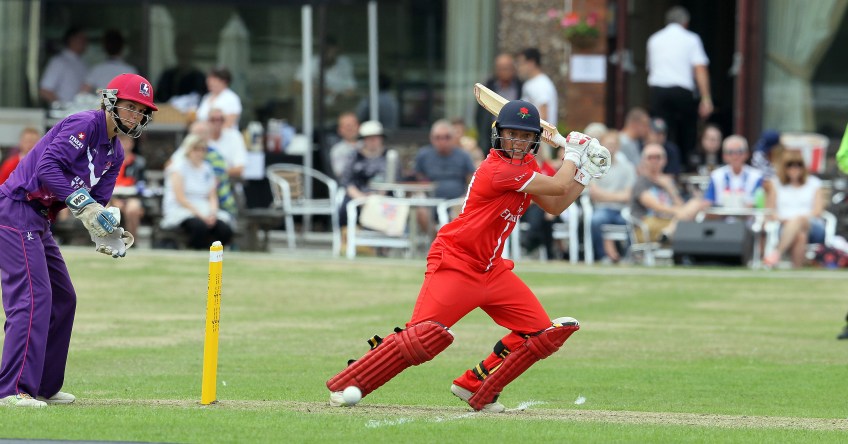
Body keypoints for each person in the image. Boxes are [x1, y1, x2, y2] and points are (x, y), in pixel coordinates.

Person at [325, 100, 611, 412]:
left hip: (492, 269)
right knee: (422, 338)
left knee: (540, 334)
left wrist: (584, 173)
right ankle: (349, 382)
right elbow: (557, 184)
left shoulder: (527, 168)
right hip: (456, 263)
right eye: (512, 134)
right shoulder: (499, 169)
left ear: (534, 140)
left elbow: (555, 204)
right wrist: (574, 153)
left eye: (525, 136)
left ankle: (475, 385)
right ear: (499, 135)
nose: (517, 142)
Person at [0, 73, 157, 408]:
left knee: (64, 298)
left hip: (40, 219)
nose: (135, 116)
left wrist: (106, 230)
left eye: (142, 111)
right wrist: (84, 205)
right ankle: (12, 390)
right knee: (33, 298)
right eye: (131, 106)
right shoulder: (84, 124)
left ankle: (44, 385)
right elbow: (47, 168)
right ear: (111, 101)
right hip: (15, 209)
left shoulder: (115, 153)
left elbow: (97, 202)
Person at [646, 6, 713, 172]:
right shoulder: (691, 39)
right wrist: (706, 98)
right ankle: (684, 167)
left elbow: (650, 68)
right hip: (682, 91)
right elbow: (700, 69)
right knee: (686, 132)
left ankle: (662, 168)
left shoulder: (654, 39)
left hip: (658, 91)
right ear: (686, 23)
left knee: (660, 131)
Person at [160, 134, 234, 250]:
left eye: (202, 149)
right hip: (182, 209)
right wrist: (201, 215)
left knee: (224, 229)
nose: (199, 153)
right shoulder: (178, 168)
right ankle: (195, 251)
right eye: (196, 149)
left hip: (204, 208)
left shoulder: (207, 168)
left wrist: (212, 213)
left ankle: (214, 254)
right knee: (199, 227)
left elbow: (212, 195)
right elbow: (180, 198)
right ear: (188, 150)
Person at [630, 143, 704, 243]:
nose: (654, 161)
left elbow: (680, 204)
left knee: (696, 203)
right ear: (643, 161)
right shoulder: (641, 182)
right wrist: (680, 212)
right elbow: (656, 206)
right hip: (647, 225)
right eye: (650, 157)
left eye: (658, 157)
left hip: (669, 222)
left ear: (665, 160)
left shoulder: (667, 181)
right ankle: (670, 232)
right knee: (690, 225)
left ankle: (668, 232)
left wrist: (669, 188)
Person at [763, 150, 824, 268]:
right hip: (784, 226)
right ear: (784, 167)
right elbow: (770, 211)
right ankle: (796, 271)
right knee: (800, 236)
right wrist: (783, 220)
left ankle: (777, 253)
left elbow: (817, 211)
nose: (794, 168)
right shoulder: (775, 183)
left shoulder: (814, 183)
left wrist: (797, 219)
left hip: (812, 225)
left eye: (798, 165)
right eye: (790, 165)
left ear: (803, 167)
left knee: (798, 220)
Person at [413, 120, 476, 234]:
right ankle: (435, 239)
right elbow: (417, 177)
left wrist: (465, 197)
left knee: (462, 210)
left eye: (447, 137)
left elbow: (472, 180)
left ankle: (450, 241)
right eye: (438, 137)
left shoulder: (463, 155)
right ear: (431, 138)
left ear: (453, 138)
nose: (442, 141)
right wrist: (424, 188)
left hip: (457, 200)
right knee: (419, 209)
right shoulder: (424, 155)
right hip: (431, 200)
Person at [337, 120, 399, 228]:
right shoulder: (353, 156)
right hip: (356, 196)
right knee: (346, 209)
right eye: (369, 138)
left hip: (383, 196)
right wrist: (360, 197)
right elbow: (346, 181)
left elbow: (393, 179)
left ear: (381, 138)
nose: (373, 141)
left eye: (376, 137)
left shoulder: (390, 156)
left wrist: (376, 197)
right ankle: (349, 236)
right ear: (364, 139)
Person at [588, 130, 637, 263]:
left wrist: (604, 195)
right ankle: (603, 256)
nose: (611, 147)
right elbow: (594, 194)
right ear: (601, 146)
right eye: (608, 144)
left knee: (631, 223)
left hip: (622, 210)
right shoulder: (594, 166)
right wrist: (618, 196)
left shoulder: (627, 168)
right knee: (596, 220)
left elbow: (628, 196)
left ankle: (628, 256)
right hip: (602, 209)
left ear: (618, 146)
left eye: (614, 144)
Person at [476, 53, 523, 151]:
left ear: (513, 69)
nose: (504, 72)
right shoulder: (488, 87)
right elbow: (480, 114)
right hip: (491, 136)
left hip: (515, 136)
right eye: (501, 68)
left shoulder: (521, 87)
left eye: (507, 68)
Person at [703, 135, 763, 210]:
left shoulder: (757, 176)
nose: (735, 156)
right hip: (721, 217)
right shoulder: (716, 176)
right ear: (724, 156)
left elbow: (760, 205)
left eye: (740, 152)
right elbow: (708, 202)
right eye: (730, 152)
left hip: (749, 217)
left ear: (747, 154)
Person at [39, 26, 89, 106]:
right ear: (72, 40)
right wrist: (62, 107)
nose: (85, 43)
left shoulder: (82, 63)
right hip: (65, 112)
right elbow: (45, 90)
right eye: (82, 39)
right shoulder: (59, 62)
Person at [109, 134, 146, 236]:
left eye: (127, 141)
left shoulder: (138, 162)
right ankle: (107, 240)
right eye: (121, 141)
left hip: (131, 197)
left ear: (132, 144)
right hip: (111, 197)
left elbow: (141, 185)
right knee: (106, 209)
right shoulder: (109, 160)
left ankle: (131, 239)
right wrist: (114, 200)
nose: (124, 144)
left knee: (133, 209)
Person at [155, 34, 208, 103]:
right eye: (181, 46)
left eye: (187, 47)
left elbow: (203, 99)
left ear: (192, 49)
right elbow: (159, 98)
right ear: (175, 49)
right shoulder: (167, 75)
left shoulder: (199, 77)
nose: (183, 50)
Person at [81, 29, 138, 94]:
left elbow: (83, 93)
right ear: (122, 47)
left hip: (102, 100)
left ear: (104, 47)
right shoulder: (130, 71)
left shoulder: (97, 70)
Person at [517, 48, 558, 125]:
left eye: (521, 64)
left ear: (531, 63)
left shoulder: (541, 84)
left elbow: (544, 116)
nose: (519, 68)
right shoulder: (530, 83)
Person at [207, 108, 247, 179]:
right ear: (207, 121)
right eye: (213, 119)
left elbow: (240, 169)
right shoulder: (200, 137)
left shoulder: (234, 136)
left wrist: (217, 173)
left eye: (220, 119)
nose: (217, 122)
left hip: (228, 181)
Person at [329, 112, 361, 179]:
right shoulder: (337, 150)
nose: (350, 128)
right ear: (339, 130)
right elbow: (340, 173)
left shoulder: (367, 145)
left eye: (353, 125)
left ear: (359, 126)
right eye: (346, 126)